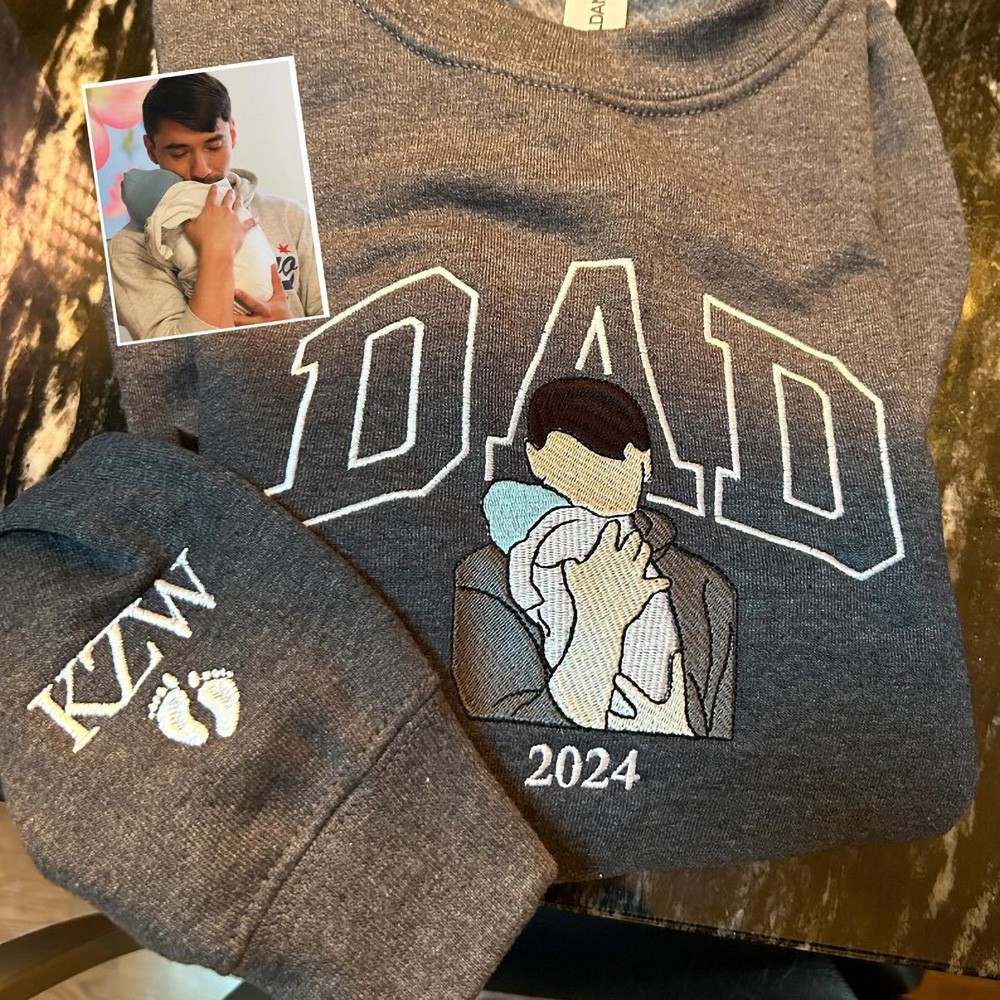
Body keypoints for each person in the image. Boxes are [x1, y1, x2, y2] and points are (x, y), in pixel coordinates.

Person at [453, 376, 738, 738]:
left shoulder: (705, 588)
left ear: (645, 465)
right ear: (536, 460)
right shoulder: (487, 576)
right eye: (569, 463)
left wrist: (674, 728)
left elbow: (719, 733)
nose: (593, 484)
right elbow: (499, 727)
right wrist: (601, 623)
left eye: (615, 460)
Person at [107, 72, 324, 341]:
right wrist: (216, 250)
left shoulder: (290, 216)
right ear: (151, 150)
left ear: (232, 134)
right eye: (179, 153)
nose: (201, 170)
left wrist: (288, 327)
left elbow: (342, 328)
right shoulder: (132, 248)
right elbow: (177, 357)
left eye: (214, 145)